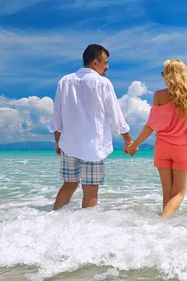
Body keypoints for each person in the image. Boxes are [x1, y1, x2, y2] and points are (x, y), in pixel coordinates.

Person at [50, 44, 132, 210]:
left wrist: (57, 141)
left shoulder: (64, 81)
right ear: (95, 62)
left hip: (69, 143)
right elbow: (115, 114)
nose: (107, 66)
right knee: (90, 190)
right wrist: (128, 139)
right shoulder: (103, 83)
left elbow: (57, 115)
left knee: (69, 184)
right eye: (105, 62)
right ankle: (87, 233)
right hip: (93, 145)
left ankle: (52, 222)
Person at [126, 59, 187, 218]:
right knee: (179, 193)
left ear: (169, 76)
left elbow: (150, 125)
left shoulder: (159, 95)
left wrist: (134, 145)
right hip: (182, 147)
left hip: (162, 148)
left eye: (163, 73)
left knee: (167, 191)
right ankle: (163, 220)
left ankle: (166, 227)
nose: (162, 76)